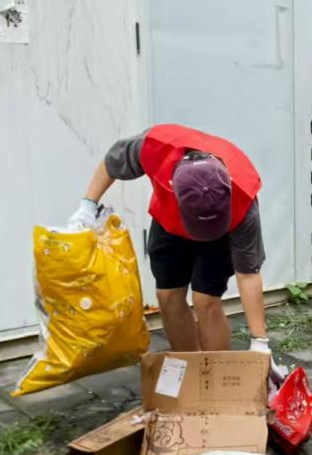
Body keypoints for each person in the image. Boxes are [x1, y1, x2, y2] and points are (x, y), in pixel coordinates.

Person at [69, 123, 270, 355]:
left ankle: (217, 374)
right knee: (168, 296)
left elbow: (248, 274)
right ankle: (190, 367)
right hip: (170, 222)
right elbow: (111, 164)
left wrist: (259, 341)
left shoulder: (244, 198)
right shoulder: (153, 148)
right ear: (173, 187)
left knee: (205, 300)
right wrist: (87, 205)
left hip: (223, 232)